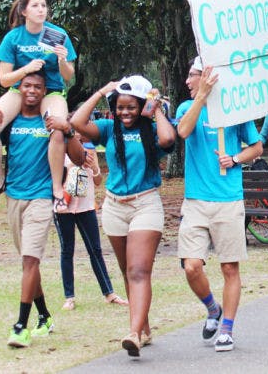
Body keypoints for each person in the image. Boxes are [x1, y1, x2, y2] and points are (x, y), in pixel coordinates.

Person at [0, 72, 84, 348]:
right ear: (19, 89)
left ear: (45, 92)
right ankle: (44, 315)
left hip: (42, 198)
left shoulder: (51, 124)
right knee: (27, 263)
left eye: (38, 87)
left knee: (31, 262)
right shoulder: (8, 123)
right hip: (14, 197)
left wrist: (68, 130)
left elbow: (80, 158)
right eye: (27, 86)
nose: (32, 91)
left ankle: (20, 326)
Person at [70, 75, 176, 357]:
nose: (125, 112)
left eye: (131, 107)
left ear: (141, 105)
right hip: (114, 206)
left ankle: (133, 334)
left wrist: (157, 109)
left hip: (146, 204)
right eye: (120, 106)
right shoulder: (108, 128)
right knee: (127, 272)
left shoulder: (152, 129)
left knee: (139, 271)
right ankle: (144, 327)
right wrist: (101, 91)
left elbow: (168, 139)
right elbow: (77, 123)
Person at [176, 59, 263, 352]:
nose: (188, 81)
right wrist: (200, 98)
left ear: (209, 77)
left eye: (193, 75)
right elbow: (183, 132)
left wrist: (236, 158)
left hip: (228, 199)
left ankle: (226, 328)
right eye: (189, 75)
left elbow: (257, 147)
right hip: (196, 200)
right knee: (191, 266)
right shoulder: (185, 108)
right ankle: (212, 308)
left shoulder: (235, 110)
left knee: (229, 268)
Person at [0, 0, 77, 211]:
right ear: (24, 11)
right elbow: (4, 80)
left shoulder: (57, 34)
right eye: (35, 6)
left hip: (51, 91)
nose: (41, 10)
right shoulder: (13, 38)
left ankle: (56, 188)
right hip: (19, 90)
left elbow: (68, 76)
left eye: (43, 5)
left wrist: (62, 59)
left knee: (57, 129)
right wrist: (26, 69)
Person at [55, 132, 128, 311]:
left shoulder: (90, 151)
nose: (79, 135)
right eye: (75, 131)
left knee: (95, 250)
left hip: (86, 207)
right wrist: (72, 164)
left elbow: (97, 181)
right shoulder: (58, 152)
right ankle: (69, 297)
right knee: (67, 250)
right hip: (63, 207)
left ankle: (109, 293)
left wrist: (94, 167)